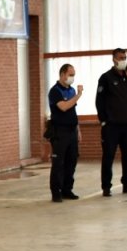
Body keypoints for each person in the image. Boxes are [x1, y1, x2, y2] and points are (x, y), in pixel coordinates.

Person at [95, 48, 127, 196]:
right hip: (112, 125)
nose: (123, 60)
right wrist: (103, 121)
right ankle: (106, 186)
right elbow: (99, 101)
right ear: (114, 59)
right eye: (121, 57)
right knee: (109, 155)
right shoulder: (106, 78)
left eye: (125, 57)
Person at [47, 63, 82, 203]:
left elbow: (73, 111)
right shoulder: (55, 91)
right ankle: (56, 191)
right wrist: (79, 95)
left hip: (72, 130)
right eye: (70, 74)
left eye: (73, 75)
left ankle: (67, 189)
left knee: (71, 161)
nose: (72, 77)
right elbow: (64, 107)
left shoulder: (71, 90)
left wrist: (78, 130)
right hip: (60, 132)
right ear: (62, 74)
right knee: (58, 162)